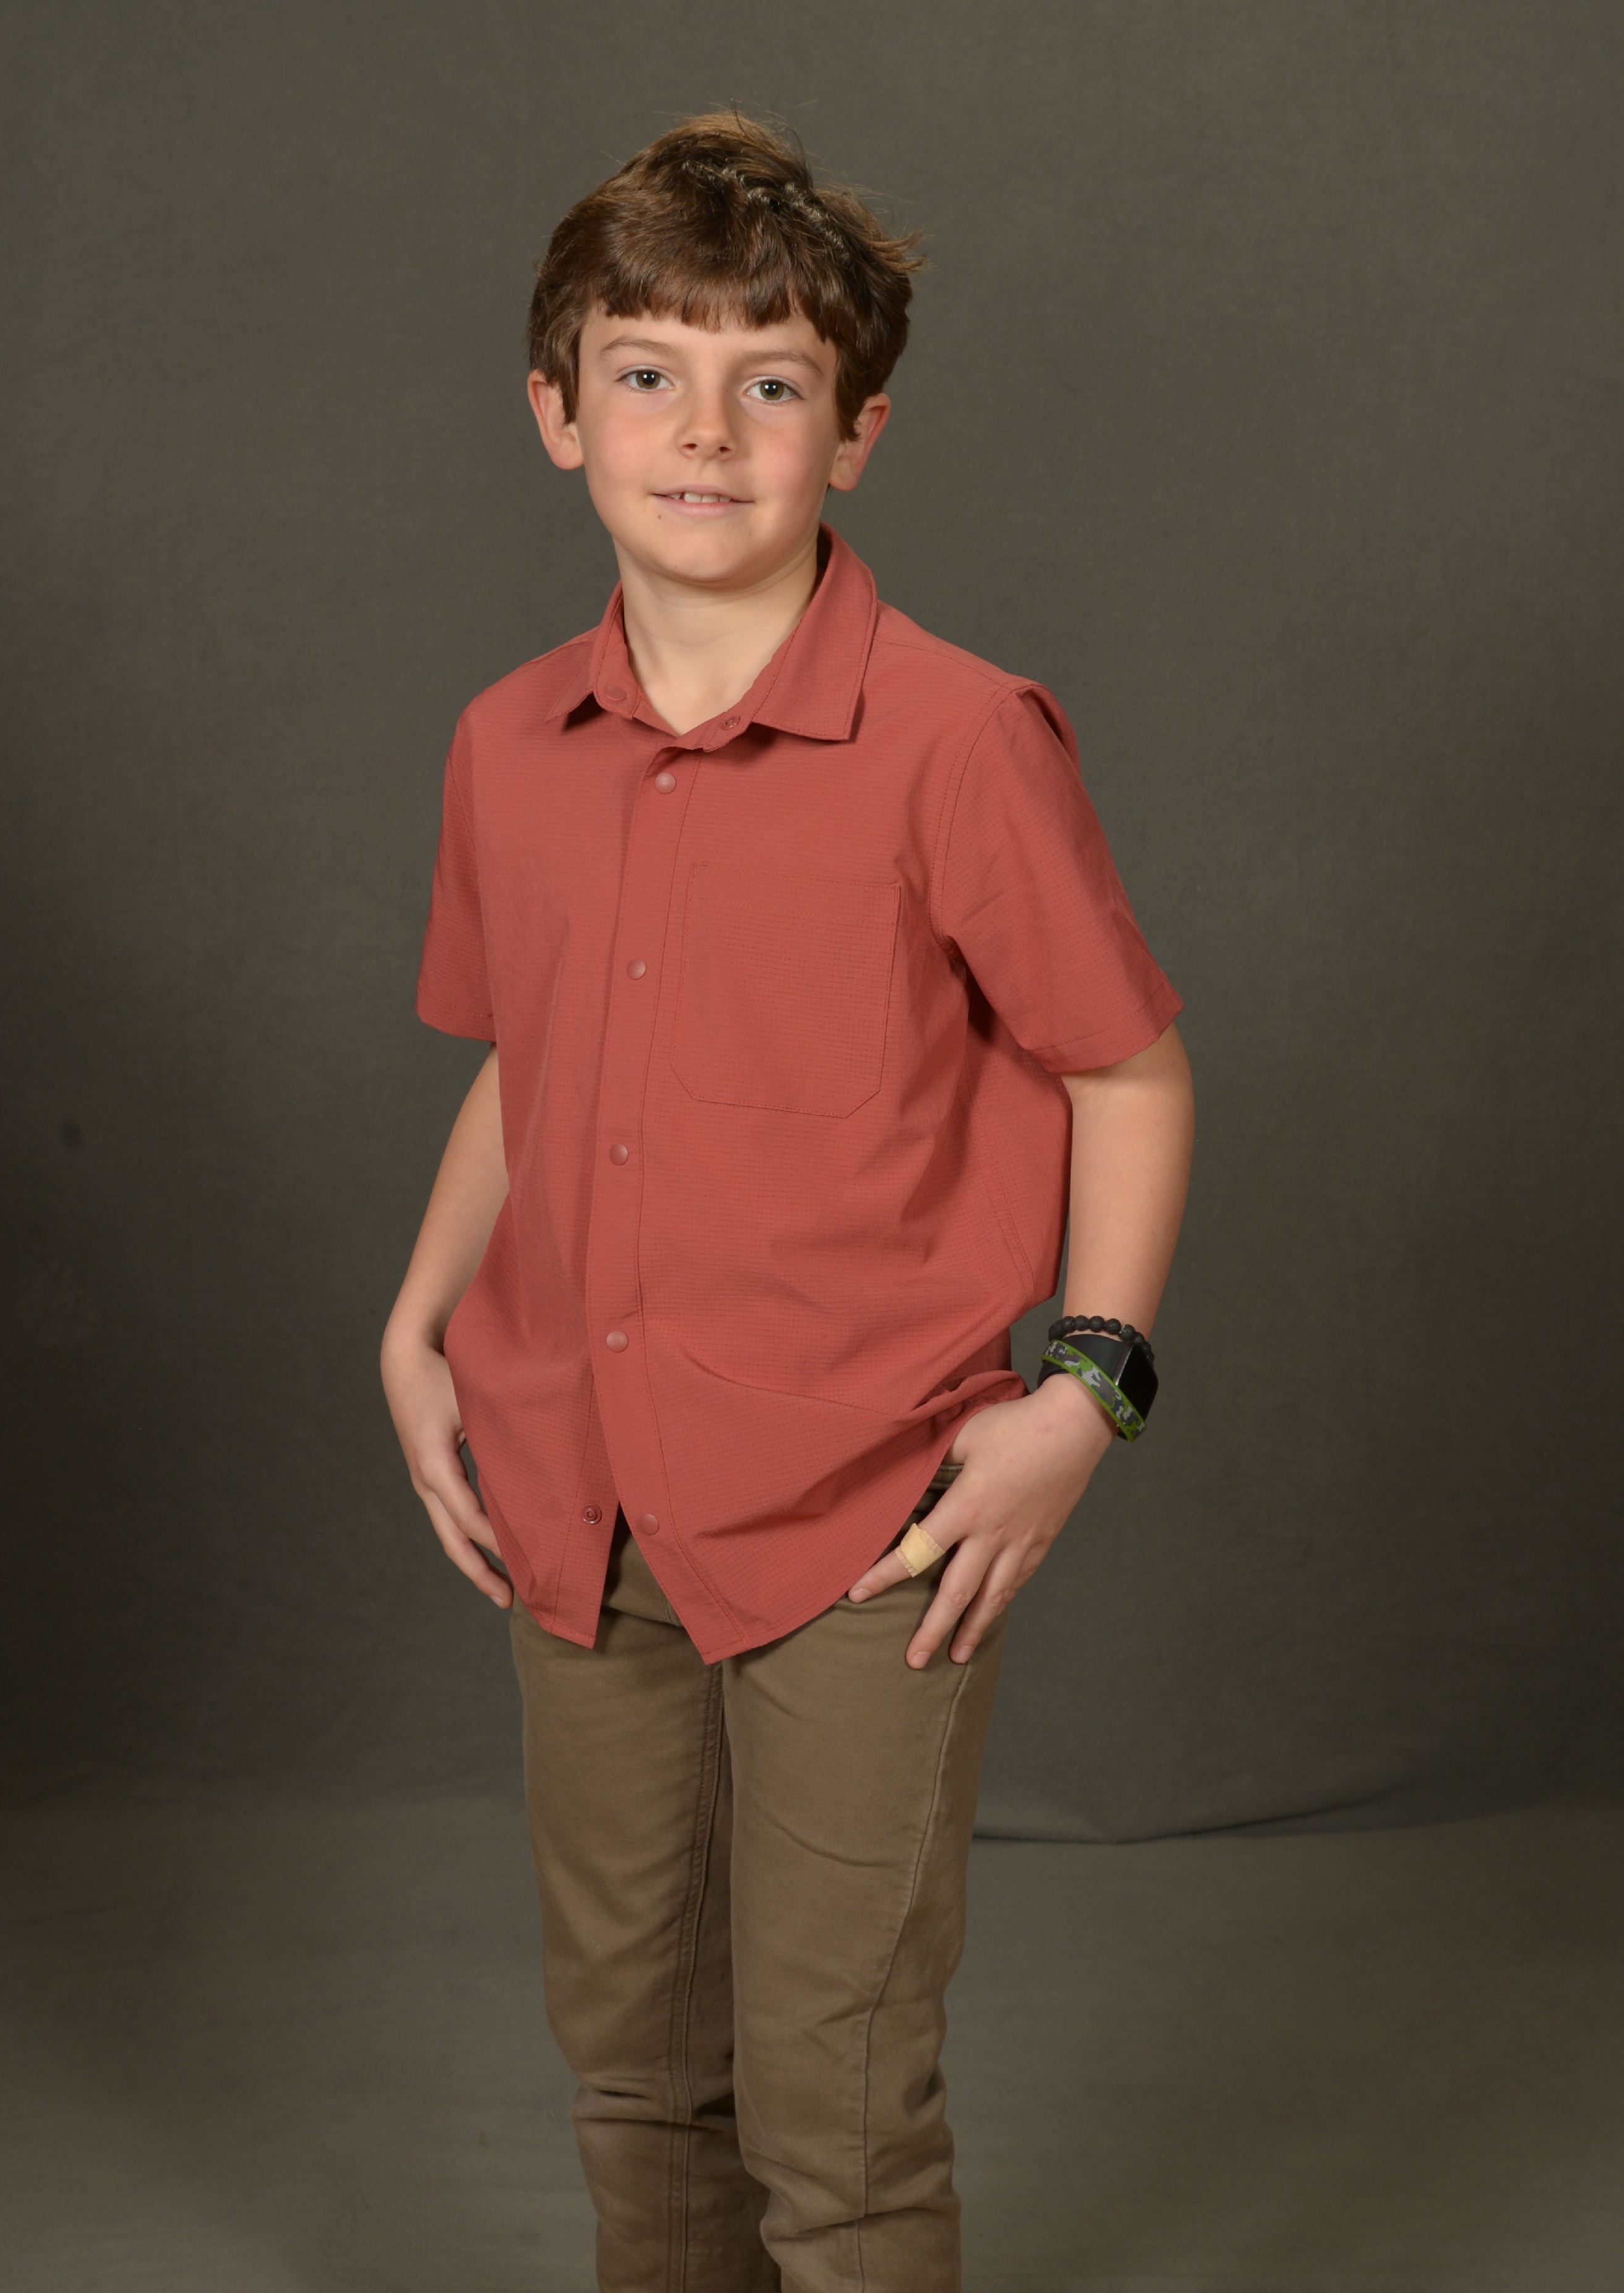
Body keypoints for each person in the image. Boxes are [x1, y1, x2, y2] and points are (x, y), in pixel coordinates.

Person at [381, 112, 1194, 2293]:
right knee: (638, 2075)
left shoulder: (960, 740)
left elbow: (1127, 1072)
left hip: (868, 1515)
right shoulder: (504, 746)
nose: (707, 432)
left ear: (859, 431)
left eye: (773, 383)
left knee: (829, 2109)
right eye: (648, 372)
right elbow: (528, 1068)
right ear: (557, 412)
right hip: (579, 1495)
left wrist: (1086, 1393)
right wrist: (416, 1318)